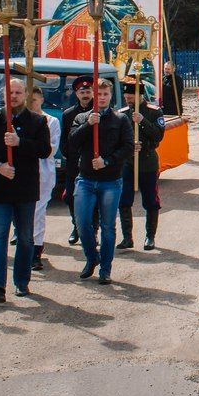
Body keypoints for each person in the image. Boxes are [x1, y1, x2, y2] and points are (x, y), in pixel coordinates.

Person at [0, 79, 51, 302]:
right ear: (4, 95)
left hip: (25, 189)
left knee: (25, 238)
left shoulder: (37, 120)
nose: (14, 96)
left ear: (25, 94)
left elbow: (45, 150)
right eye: (10, 93)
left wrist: (20, 143)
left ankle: (22, 282)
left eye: (18, 92)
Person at [67, 78, 134, 285]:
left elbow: (128, 147)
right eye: (99, 94)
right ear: (94, 95)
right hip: (86, 179)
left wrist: (107, 161)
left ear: (110, 96)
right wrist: (88, 125)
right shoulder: (81, 117)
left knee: (107, 226)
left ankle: (105, 268)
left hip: (110, 181)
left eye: (106, 94)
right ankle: (91, 257)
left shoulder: (120, 119)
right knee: (82, 222)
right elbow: (72, 143)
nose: (102, 98)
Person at [117, 80, 166, 251]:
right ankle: (127, 238)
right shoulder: (122, 114)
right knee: (123, 200)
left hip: (147, 162)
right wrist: (130, 147)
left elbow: (158, 136)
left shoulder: (154, 111)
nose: (128, 98)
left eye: (131, 95)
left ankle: (150, 237)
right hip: (128, 163)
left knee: (151, 200)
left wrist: (142, 121)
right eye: (126, 95)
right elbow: (117, 139)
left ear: (140, 95)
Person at [28, 87, 60, 272]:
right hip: (22, 173)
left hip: (42, 172)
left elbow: (51, 149)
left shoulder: (51, 121)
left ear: (41, 99)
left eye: (34, 98)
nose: (31, 102)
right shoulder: (18, 120)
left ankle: (36, 251)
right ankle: (25, 246)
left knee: (38, 213)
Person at [61, 76, 94, 246]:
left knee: (93, 198)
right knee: (70, 197)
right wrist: (69, 154)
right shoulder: (68, 114)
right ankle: (76, 227)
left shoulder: (99, 111)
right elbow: (64, 140)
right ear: (76, 93)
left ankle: (92, 229)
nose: (86, 94)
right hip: (74, 164)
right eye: (82, 92)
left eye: (88, 91)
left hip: (93, 163)